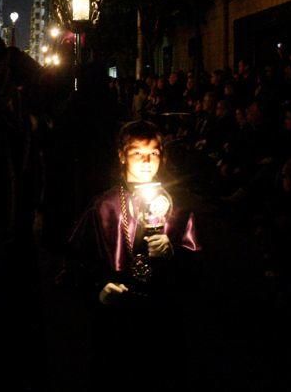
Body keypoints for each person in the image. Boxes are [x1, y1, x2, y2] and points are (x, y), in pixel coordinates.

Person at [64, 120, 200, 389]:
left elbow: (196, 262)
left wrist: (173, 252)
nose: (147, 161)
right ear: (122, 156)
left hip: (162, 314)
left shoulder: (179, 207)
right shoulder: (104, 206)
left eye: (154, 153)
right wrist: (98, 290)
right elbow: (77, 260)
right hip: (117, 318)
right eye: (138, 152)